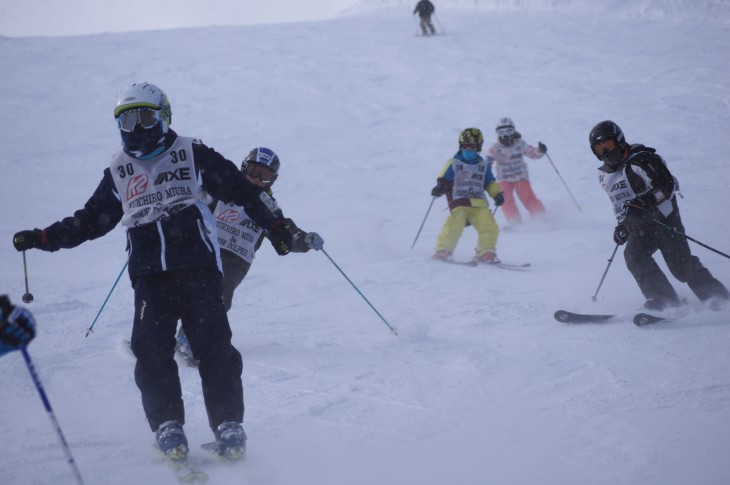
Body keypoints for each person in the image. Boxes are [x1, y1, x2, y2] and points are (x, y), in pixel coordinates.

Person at [11, 82, 306, 462]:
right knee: (151, 350)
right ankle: (168, 424)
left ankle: (229, 425)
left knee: (214, 346)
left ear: (163, 116)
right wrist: (44, 237)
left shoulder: (191, 152)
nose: (136, 127)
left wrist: (277, 227)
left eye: (144, 116)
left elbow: (242, 191)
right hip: (150, 274)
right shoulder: (119, 169)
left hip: (198, 265)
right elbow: (91, 220)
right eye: (127, 119)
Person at [175, 147, 324, 362]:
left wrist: (305, 240)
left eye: (264, 176)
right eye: (253, 171)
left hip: (237, 259)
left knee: (219, 296)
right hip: (208, 247)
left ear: (272, 180)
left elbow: (286, 234)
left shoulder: (270, 207)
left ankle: (191, 340)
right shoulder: (224, 190)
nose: (256, 178)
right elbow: (197, 203)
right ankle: (158, 336)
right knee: (183, 289)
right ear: (243, 168)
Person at [590, 120, 730, 310]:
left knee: (680, 267)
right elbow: (620, 207)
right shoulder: (605, 176)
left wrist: (645, 201)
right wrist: (623, 227)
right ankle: (665, 300)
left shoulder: (642, 160)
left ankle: (718, 298)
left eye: (608, 146)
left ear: (620, 141)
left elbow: (666, 186)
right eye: (599, 150)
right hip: (641, 228)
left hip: (664, 220)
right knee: (633, 255)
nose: (606, 153)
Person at [431, 128, 504, 263]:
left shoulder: (483, 165)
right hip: (460, 201)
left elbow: (490, 183)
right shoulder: (454, 163)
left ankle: (486, 252)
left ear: (479, 147)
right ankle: (444, 250)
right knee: (455, 223)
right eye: (465, 146)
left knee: (489, 226)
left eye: (473, 146)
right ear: (460, 146)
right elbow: (444, 179)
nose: (469, 149)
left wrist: (497, 194)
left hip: (479, 204)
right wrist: (439, 188)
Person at [485, 117, 547, 226]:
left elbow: (532, 153)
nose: (505, 135)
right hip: (504, 178)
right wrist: (487, 165)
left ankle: (541, 216)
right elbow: (488, 159)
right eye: (501, 132)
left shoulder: (520, 144)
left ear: (513, 131)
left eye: (508, 131)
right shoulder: (495, 148)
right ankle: (515, 221)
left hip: (520, 177)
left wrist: (540, 150)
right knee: (505, 199)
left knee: (527, 196)